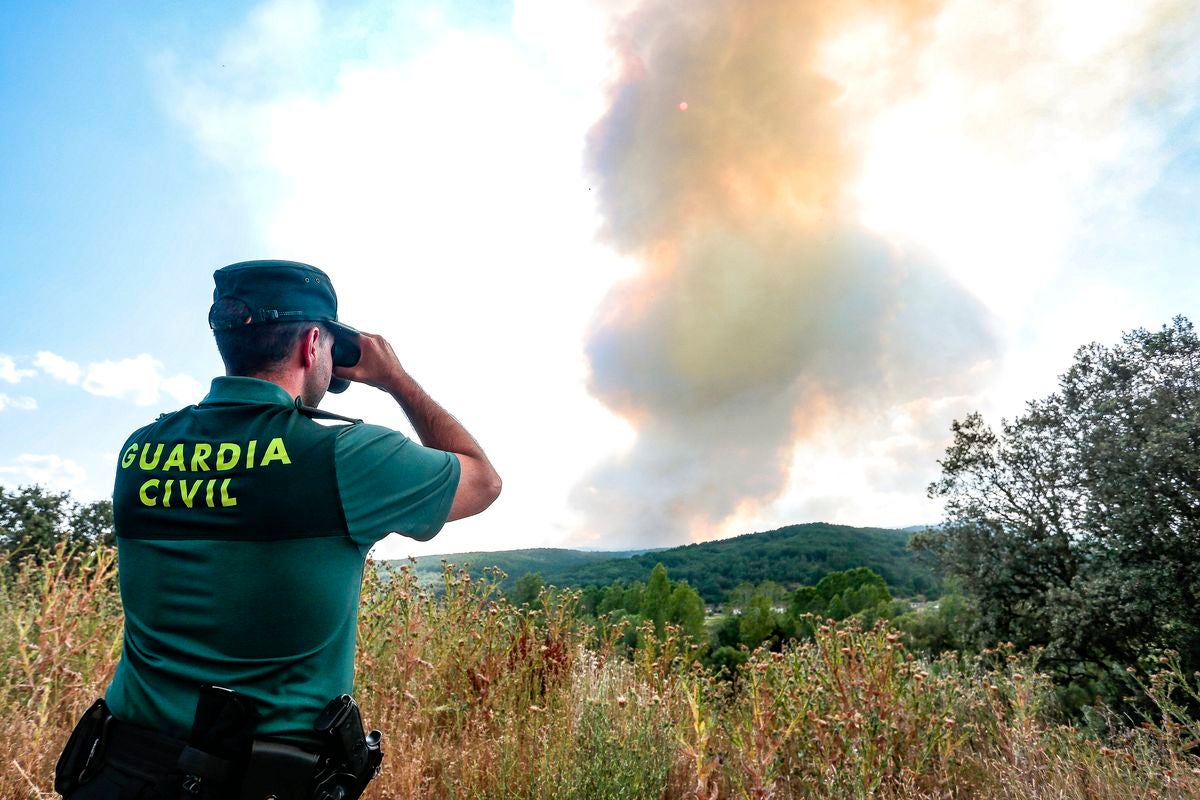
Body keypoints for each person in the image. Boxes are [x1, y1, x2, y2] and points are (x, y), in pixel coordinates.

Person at [55, 260, 501, 799]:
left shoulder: (141, 449)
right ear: (314, 344)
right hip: (260, 783)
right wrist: (396, 380)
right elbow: (482, 481)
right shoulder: (345, 454)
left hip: (119, 774)